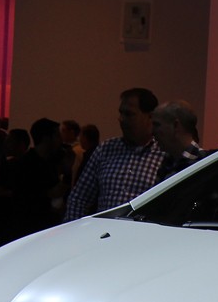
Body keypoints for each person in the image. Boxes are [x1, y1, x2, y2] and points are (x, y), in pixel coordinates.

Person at [64, 88, 165, 219]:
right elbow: (79, 198)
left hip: (143, 236)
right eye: (121, 113)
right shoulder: (106, 149)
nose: (121, 119)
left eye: (129, 114)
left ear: (150, 117)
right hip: (104, 236)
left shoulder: (164, 155)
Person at [156, 100, 208, 180]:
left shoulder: (203, 164)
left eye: (157, 125)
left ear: (175, 126)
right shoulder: (167, 162)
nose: (152, 131)